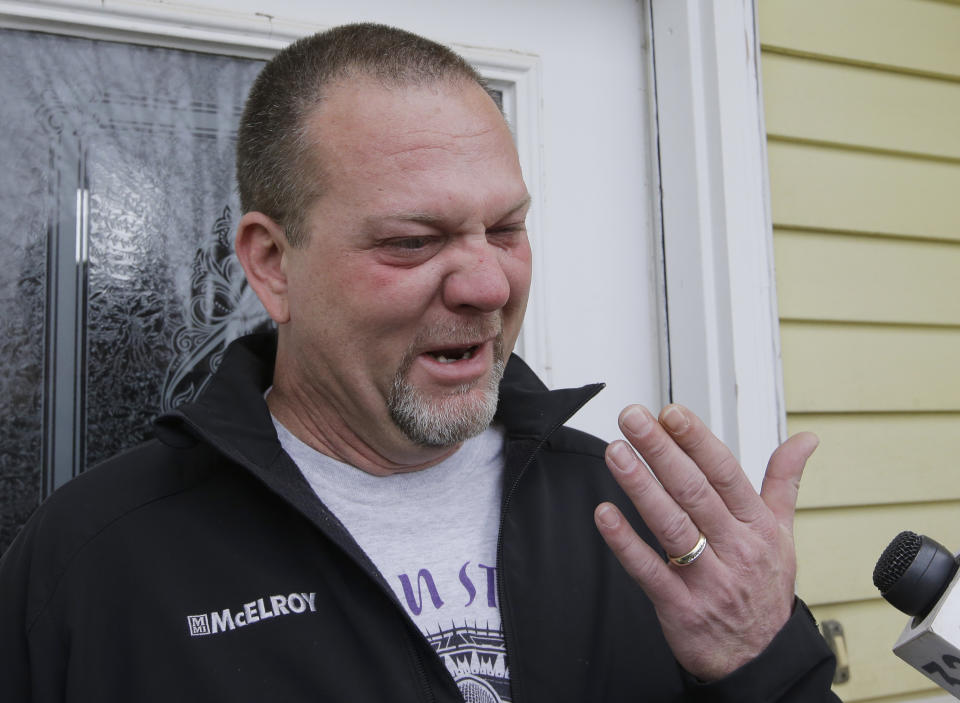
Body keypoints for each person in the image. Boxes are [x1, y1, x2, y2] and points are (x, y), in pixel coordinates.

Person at [0, 23, 839, 702]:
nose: (487, 282)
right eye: (412, 240)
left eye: (506, 228)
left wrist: (763, 663)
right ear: (272, 264)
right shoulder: (93, 562)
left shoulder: (643, 526)